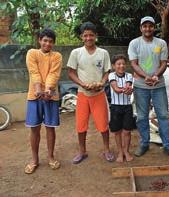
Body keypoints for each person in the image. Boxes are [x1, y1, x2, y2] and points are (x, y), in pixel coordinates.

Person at [128, 16, 169, 160]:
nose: (147, 28)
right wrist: (146, 76)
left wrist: (155, 76)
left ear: (154, 28)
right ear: (141, 28)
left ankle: (168, 146)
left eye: (150, 26)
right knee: (141, 117)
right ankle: (144, 143)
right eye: (144, 26)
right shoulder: (134, 43)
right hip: (141, 85)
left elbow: (164, 63)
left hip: (158, 85)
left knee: (163, 115)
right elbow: (134, 63)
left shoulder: (161, 43)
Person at [67, 21, 114, 164]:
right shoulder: (76, 53)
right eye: (85, 35)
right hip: (82, 94)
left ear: (96, 36)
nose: (88, 38)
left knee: (103, 124)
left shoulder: (103, 53)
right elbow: (71, 72)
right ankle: (82, 151)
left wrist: (102, 82)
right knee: (81, 125)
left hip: (99, 94)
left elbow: (107, 72)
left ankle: (106, 150)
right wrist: (83, 84)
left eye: (91, 35)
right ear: (81, 37)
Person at [24, 28, 62, 174]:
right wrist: (39, 90)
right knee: (34, 128)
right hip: (34, 96)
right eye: (45, 40)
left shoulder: (57, 56)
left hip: (51, 96)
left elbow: (54, 74)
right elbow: (34, 72)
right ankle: (34, 160)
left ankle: (51, 157)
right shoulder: (32, 53)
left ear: (53, 43)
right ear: (39, 40)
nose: (47, 43)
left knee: (50, 127)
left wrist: (48, 91)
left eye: (50, 41)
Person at [109, 54, 136, 162]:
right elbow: (115, 88)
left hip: (127, 107)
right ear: (113, 66)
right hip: (115, 107)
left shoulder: (129, 75)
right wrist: (126, 90)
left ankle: (126, 151)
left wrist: (129, 89)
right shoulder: (111, 75)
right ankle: (120, 151)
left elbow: (129, 87)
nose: (121, 66)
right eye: (118, 64)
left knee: (127, 131)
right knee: (117, 131)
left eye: (123, 64)